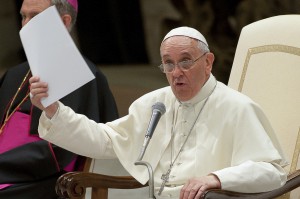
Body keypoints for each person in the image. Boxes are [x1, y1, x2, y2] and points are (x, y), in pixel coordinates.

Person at [30, 26, 288, 199]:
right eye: (168, 64)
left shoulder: (237, 107)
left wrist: (215, 178)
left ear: (208, 62)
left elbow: (272, 172)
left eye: (186, 61)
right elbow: (105, 139)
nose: (176, 72)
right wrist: (54, 110)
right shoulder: (155, 104)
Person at [0, 0, 118, 198]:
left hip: (45, 182)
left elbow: (61, 152)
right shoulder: (15, 74)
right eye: (23, 16)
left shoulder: (83, 77)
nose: (26, 25)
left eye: (35, 17)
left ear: (63, 22)